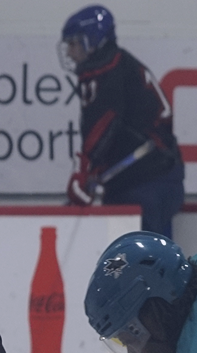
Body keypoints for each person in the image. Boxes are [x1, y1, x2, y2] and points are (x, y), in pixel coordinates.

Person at [59, 5, 185, 240]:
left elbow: (103, 125)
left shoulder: (108, 70)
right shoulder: (117, 65)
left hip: (146, 181)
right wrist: (93, 170)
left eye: (73, 44)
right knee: (142, 253)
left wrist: (85, 168)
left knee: (143, 255)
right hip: (151, 177)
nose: (70, 52)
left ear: (91, 41)